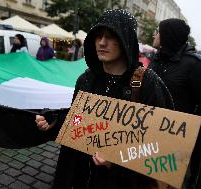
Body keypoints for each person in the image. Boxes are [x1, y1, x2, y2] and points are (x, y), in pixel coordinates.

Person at [36, 9, 174, 189]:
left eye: (111, 36)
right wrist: (58, 120)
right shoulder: (85, 80)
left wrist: (117, 160)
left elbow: (163, 148)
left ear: (126, 40)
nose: (102, 42)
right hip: (82, 178)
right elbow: (79, 121)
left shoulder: (148, 83)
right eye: (98, 36)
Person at [148, 18, 201, 189]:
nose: (154, 34)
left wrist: (187, 129)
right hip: (148, 136)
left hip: (174, 143)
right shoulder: (156, 59)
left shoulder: (194, 65)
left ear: (167, 36)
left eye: (158, 31)